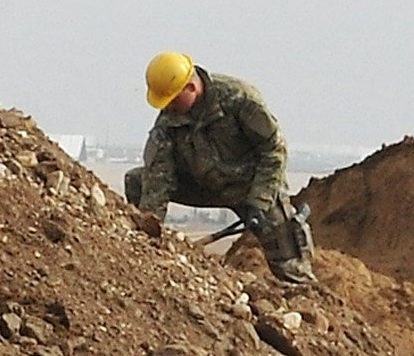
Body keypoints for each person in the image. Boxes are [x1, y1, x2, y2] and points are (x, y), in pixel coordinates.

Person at [129, 52, 312, 281]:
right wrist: (146, 239)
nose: (169, 108)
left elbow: (274, 150)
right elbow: (158, 177)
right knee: (136, 181)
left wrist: (260, 199)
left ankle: (306, 301)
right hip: (204, 185)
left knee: (290, 267)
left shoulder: (238, 98)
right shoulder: (169, 120)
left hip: (251, 187)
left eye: (174, 100)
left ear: (191, 88)